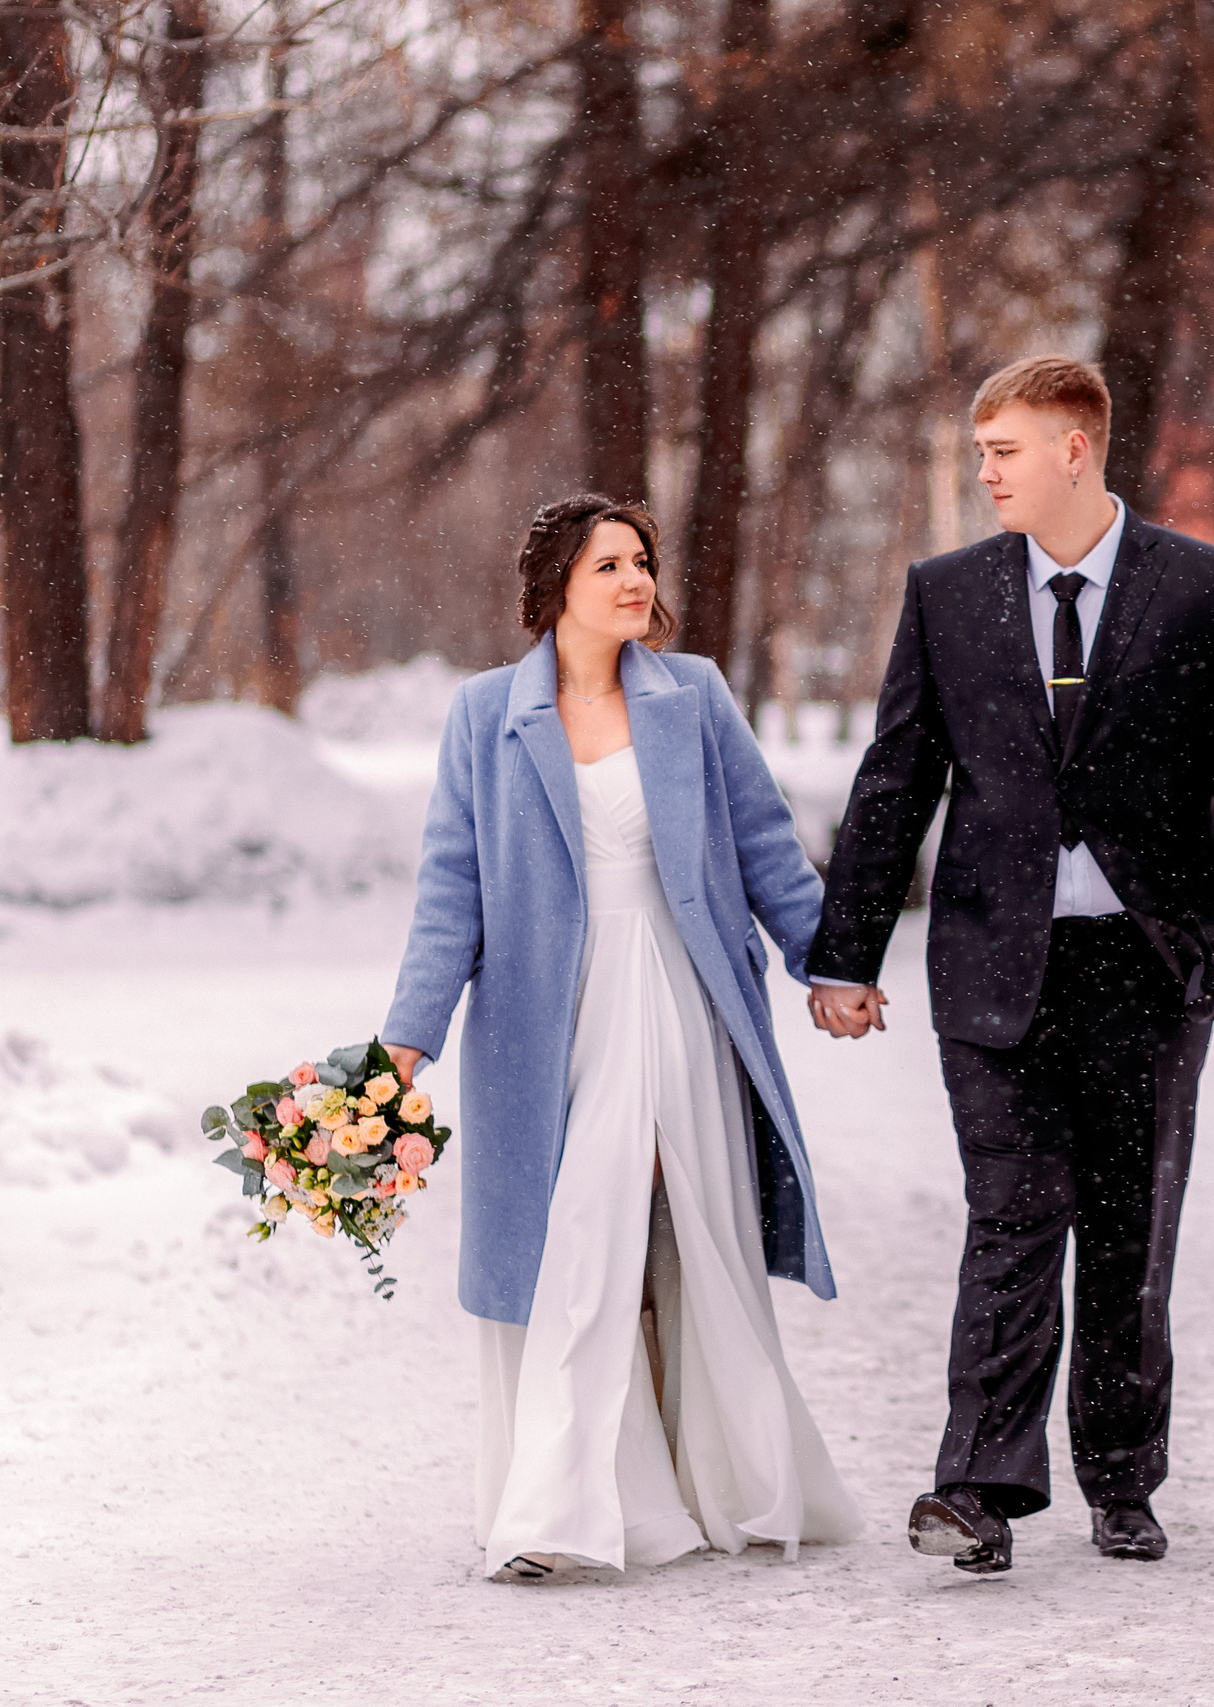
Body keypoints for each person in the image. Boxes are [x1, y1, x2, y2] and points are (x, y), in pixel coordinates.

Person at [808, 356, 1214, 1575]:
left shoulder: (1204, 588)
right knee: (1013, 1217)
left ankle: (1122, 1479)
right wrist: (845, 956)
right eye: (980, 452)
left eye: (1003, 451)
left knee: (1131, 1233)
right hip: (992, 967)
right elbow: (896, 779)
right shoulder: (945, 595)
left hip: (1151, 964)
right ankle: (977, 1488)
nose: (984, 473)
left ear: (1073, 449)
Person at [383, 493, 861, 1583]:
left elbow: (767, 846)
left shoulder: (693, 696)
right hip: (546, 1020)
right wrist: (407, 1042)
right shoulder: (486, 716)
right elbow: (450, 891)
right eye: (608, 565)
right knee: (584, 1238)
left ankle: (691, 1484)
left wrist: (827, 966)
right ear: (555, 586)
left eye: (642, 561)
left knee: (665, 1232)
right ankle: (573, 1502)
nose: (636, 580)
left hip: (680, 999)